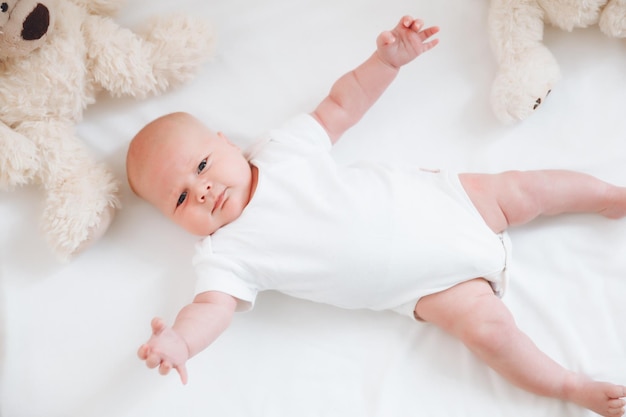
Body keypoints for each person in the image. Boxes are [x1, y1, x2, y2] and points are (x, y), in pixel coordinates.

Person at [127, 15, 626, 417]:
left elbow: (342, 105)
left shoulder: (281, 150)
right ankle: (570, 384)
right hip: (432, 289)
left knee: (526, 187)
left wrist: (386, 62)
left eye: (201, 167)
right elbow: (210, 309)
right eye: (179, 198)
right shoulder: (226, 255)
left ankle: (609, 196)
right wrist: (181, 341)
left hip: (452, 202)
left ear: (225, 143)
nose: (203, 191)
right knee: (493, 337)